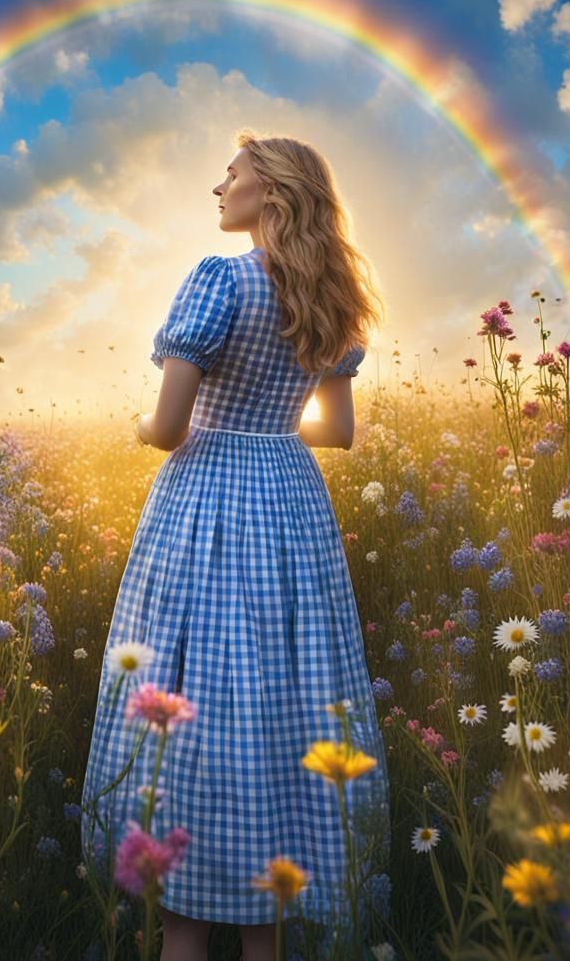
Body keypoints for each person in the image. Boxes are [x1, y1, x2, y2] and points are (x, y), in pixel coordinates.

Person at [80, 129, 390, 961]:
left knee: (195, 687)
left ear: (273, 193)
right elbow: (341, 433)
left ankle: (185, 894)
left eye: (233, 175)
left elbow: (168, 425)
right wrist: (269, 426)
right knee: (281, 690)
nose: (218, 188)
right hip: (289, 497)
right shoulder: (331, 298)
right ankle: (270, 888)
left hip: (208, 495)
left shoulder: (220, 279)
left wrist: (144, 424)